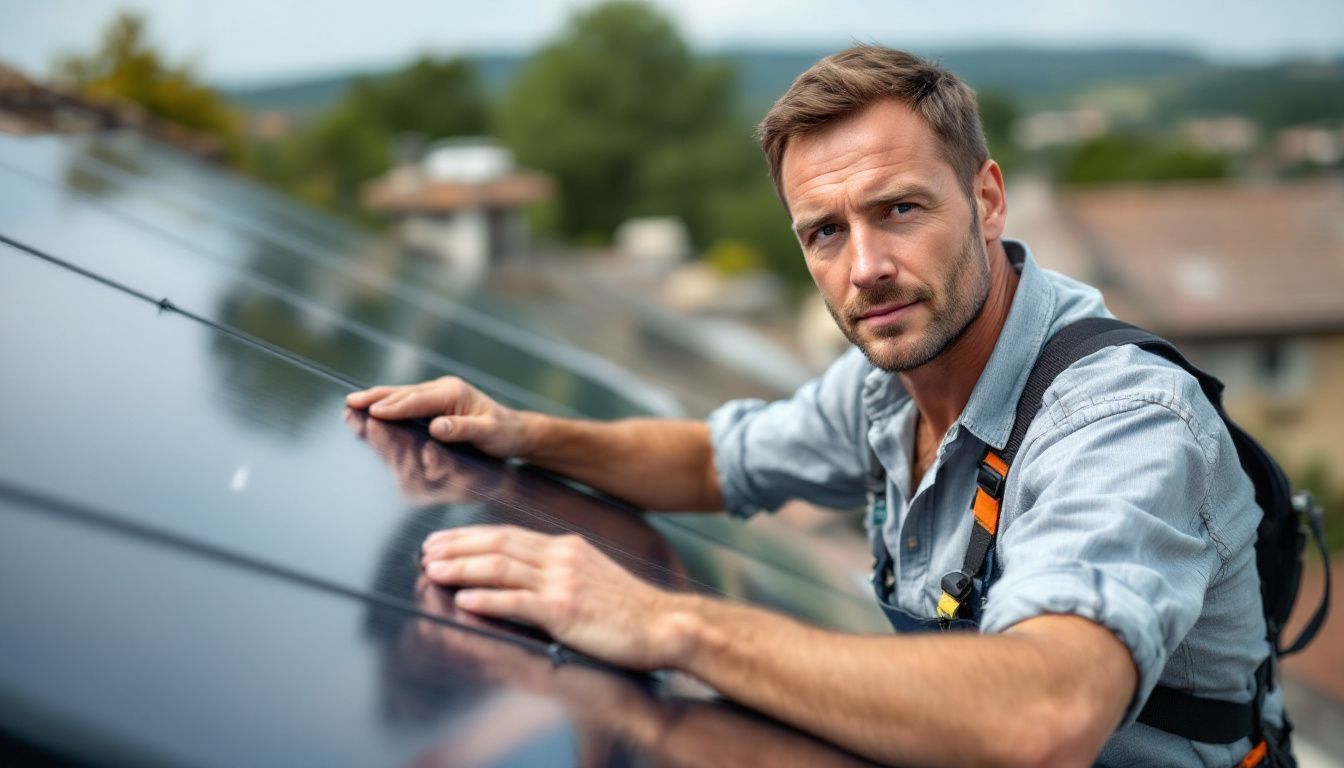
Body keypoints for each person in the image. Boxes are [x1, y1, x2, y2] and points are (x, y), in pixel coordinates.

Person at [346, 46, 1279, 767]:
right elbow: (718, 461)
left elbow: (1043, 719)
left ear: (986, 199)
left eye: (900, 210)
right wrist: (520, 432)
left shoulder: (1121, 422)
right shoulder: (891, 380)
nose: (864, 267)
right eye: (826, 232)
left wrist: (669, 624)